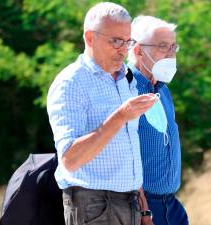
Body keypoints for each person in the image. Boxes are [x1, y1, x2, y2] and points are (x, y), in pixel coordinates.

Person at [46, 3, 156, 225]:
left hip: (131, 203)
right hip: (94, 205)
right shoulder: (70, 83)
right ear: (89, 38)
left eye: (128, 42)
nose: (123, 49)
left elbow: (129, 150)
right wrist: (119, 117)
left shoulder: (125, 78)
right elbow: (69, 159)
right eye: (115, 41)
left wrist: (144, 211)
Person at [127, 15, 189, 225]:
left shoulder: (163, 90)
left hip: (172, 205)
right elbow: (126, 156)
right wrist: (144, 210)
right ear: (137, 50)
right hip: (144, 208)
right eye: (163, 47)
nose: (170, 54)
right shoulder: (125, 90)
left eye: (173, 47)